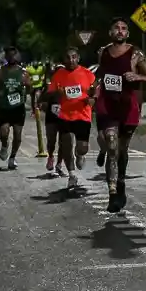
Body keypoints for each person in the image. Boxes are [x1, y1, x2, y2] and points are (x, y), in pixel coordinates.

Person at [93, 18, 146, 213]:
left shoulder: (136, 54)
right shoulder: (102, 52)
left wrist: (138, 76)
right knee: (111, 144)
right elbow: (100, 75)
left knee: (121, 149)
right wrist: (93, 87)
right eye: (116, 28)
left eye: (124, 29)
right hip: (107, 104)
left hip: (127, 106)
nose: (120, 31)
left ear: (127, 33)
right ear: (110, 32)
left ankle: (121, 182)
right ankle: (112, 194)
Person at [45, 47, 96, 192]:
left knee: (82, 147)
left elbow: (95, 90)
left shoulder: (87, 73)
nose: (71, 60)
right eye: (68, 57)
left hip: (83, 115)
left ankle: (79, 155)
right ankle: (72, 174)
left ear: (78, 58)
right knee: (66, 144)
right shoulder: (58, 75)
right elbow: (49, 93)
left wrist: (92, 99)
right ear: (64, 60)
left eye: (74, 57)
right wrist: (58, 93)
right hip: (65, 115)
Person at [0, 46, 29, 169]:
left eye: (14, 55)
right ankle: (4, 145)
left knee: (17, 136)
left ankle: (12, 157)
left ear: (17, 56)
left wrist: (27, 85)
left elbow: (29, 88)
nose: (12, 57)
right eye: (9, 55)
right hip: (4, 107)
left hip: (18, 107)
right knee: (4, 133)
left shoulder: (23, 72)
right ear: (5, 57)